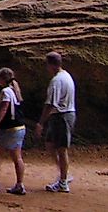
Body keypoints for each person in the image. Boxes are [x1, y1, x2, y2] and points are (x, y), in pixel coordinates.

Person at [36, 51, 76, 193]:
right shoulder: (66, 75)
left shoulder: (57, 81)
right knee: (50, 144)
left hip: (62, 116)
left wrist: (41, 122)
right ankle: (64, 174)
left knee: (61, 149)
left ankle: (63, 182)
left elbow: (51, 104)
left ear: (51, 65)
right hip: (62, 115)